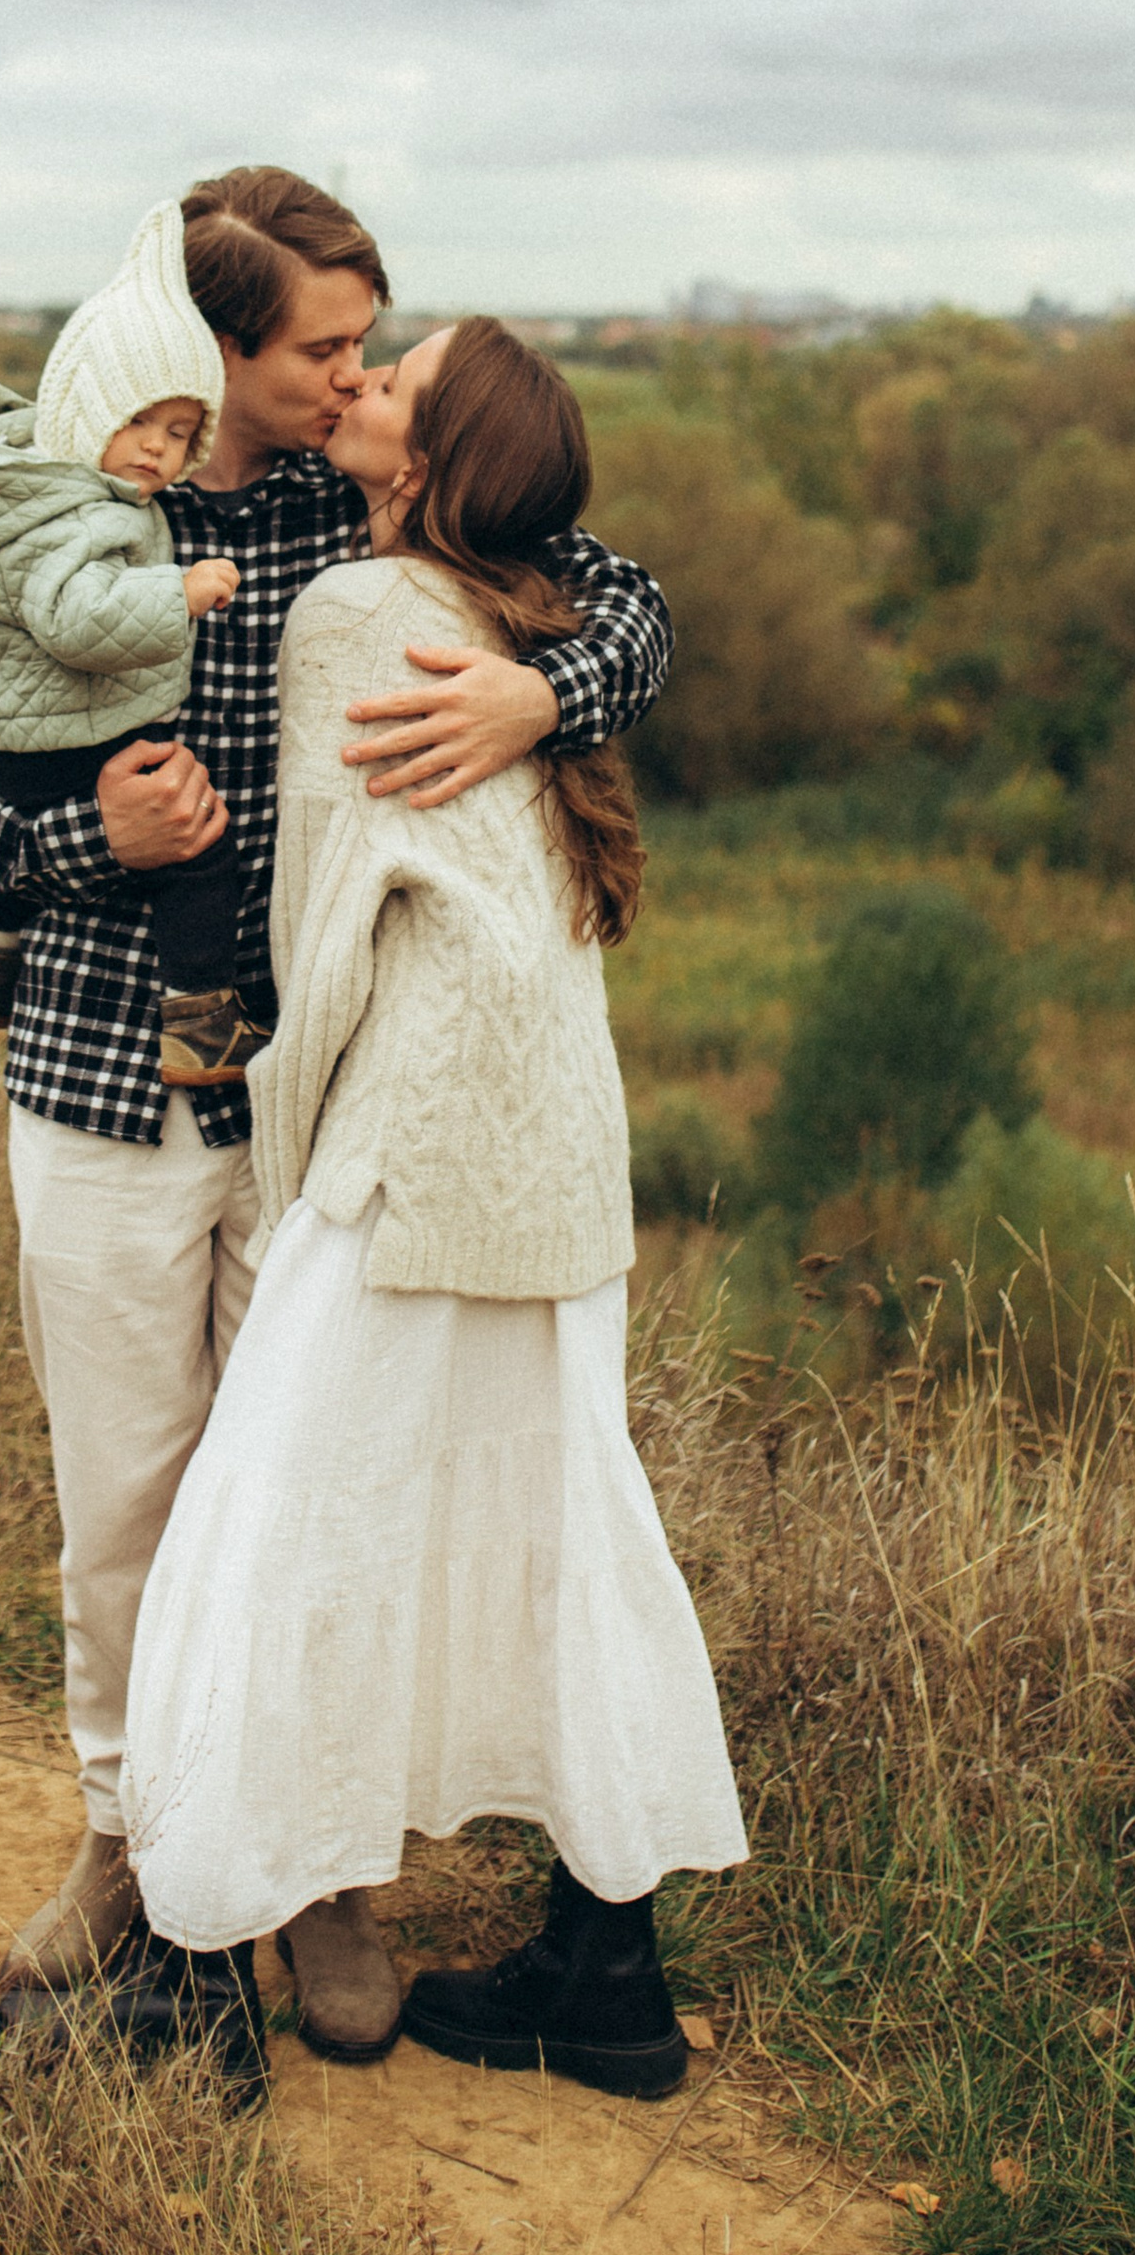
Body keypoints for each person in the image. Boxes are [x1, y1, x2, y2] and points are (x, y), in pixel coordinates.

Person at [0, 167, 675, 2070]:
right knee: (130, 1498)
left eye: (362, 348)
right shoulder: (82, 492)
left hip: (312, 1102)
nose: (350, 377)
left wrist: (535, 694)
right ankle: (130, 1847)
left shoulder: (369, 507)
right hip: (95, 1064)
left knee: (304, 1496)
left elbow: (635, 604)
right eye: (323, 349)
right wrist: (96, 833)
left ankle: (318, 1878)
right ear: (218, 348)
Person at [116, 320, 747, 2111]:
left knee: (266, 1525)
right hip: (560, 1159)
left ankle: (190, 1979)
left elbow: (327, 923)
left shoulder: (354, 615)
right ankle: (608, 1979)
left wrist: (297, 1157)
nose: (359, 381)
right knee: (567, 1537)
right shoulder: (527, 611)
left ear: (429, 460)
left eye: (392, 378)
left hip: (415, 1150)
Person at [0, 202, 266, 1085]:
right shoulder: (81, 515)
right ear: (89, 411)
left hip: (7, 737)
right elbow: (77, 620)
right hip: (72, 739)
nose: (159, 452)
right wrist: (182, 591)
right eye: (141, 425)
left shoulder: (25, 488)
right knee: (199, 852)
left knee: (21, 837)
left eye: (178, 433)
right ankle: (201, 1026)